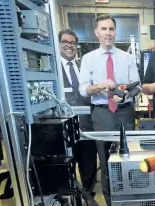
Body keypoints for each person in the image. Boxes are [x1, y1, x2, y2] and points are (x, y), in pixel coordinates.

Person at [79, 14, 141, 205]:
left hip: (124, 112)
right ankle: (110, 201)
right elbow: (84, 90)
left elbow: (137, 86)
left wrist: (126, 94)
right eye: (104, 29)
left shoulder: (127, 58)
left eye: (111, 29)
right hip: (101, 113)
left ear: (115, 32)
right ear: (96, 32)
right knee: (106, 162)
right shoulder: (88, 59)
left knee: (127, 158)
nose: (108, 33)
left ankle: (130, 200)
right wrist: (100, 86)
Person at [58, 29, 98, 196]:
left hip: (86, 127)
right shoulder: (53, 69)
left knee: (88, 166)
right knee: (65, 167)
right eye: (65, 42)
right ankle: (69, 197)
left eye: (73, 43)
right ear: (59, 44)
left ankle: (88, 195)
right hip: (63, 129)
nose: (69, 46)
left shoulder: (84, 66)